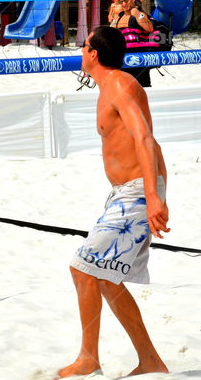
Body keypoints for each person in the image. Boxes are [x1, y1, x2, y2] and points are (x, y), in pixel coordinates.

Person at [58, 26, 169, 377]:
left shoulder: (119, 84)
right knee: (106, 277)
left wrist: (153, 197)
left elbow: (145, 139)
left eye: (84, 45)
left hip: (137, 191)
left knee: (82, 268)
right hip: (127, 192)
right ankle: (149, 360)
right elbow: (145, 141)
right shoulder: (109, 85)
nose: (81, 50)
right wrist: (154, 192)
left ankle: (88, 359)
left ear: (93, 54)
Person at [110, 0, 156, 87]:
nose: (124, 4)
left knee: (142, 89)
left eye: (126, 0)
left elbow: (150, 28)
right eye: (121, 2)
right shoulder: (120, 17)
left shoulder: (139, 14)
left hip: (138, 61)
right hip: (123, 61)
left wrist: (138, 15)